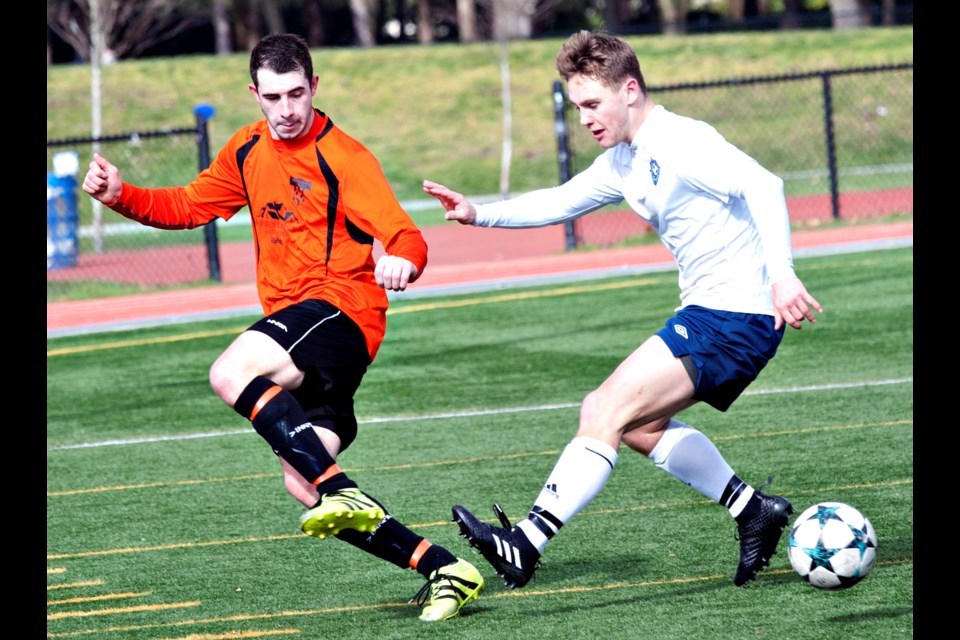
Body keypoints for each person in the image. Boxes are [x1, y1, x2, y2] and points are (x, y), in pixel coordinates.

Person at [81, 33, 483, 621]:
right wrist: (122, 196)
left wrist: (403, 260)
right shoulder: (246, 148)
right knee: (305, 483)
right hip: (300, 329)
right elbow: (191, 205)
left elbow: (405, 235)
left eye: (298, 93)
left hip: (342, 310)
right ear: (255, 94)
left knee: (230, 370)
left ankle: (343, 490)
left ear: (314, 86)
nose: (288, 109)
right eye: (274, 97)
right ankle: (443, 567)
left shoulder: (343, 156)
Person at [422, 29, 823, 590]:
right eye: (576, 106)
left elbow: (765, 184)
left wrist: (781, 273)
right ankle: (752, 509)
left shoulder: (682, 140)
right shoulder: (623, 160)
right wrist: (479, 213)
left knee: (604, 409)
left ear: (629, 89)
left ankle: (525, 545)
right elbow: (561, 200)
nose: (584, 117)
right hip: (716, 314)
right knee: (638, 426)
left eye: (592, 103)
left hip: (738, 315)